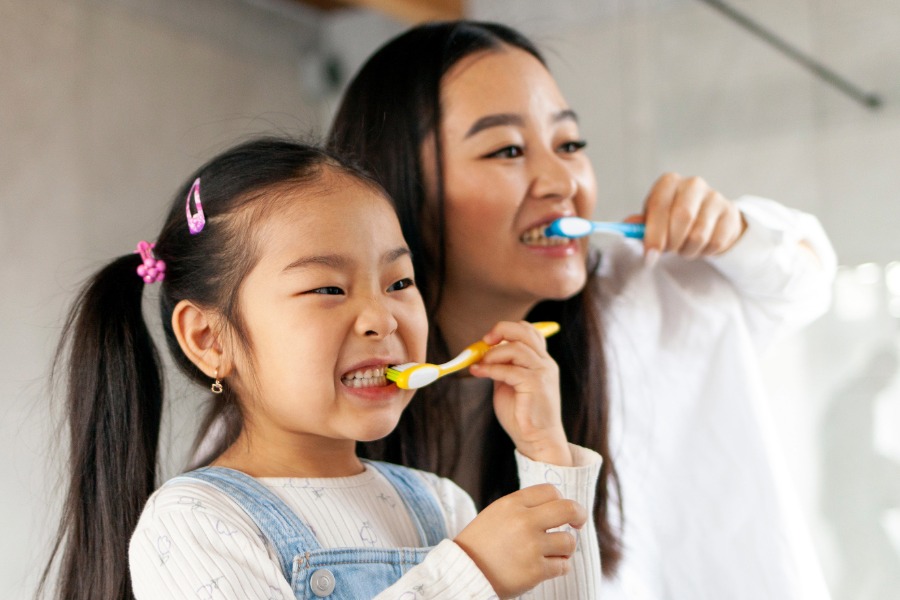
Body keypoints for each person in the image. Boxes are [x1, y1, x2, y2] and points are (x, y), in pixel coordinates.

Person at [327, 20, 837, 599]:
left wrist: (737, 232)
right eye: (508, 150)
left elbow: (806, 277)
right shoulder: (340, 384)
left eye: (569, 145)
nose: (560, 180)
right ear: (397, 190)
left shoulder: (644, 284)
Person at [39, 138, 606, 600]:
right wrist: (470, 573)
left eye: (399, 282)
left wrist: (545, 451)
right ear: (209, 338)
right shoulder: (194, 522)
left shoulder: (441, 504)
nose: (381, 318)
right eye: (328, 288)